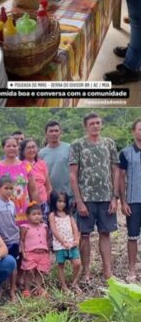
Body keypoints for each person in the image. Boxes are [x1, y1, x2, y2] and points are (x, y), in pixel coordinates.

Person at [69, 112, 119, 283]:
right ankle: (86, 272)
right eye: (92, 124)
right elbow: (73, 175)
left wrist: (115, 197)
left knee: (106, 233)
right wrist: (79, 200)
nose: (96, 126)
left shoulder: (109, 143)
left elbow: (115, 171)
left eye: (98, 123)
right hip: (87, 198)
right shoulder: (78, 145)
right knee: (85, 235)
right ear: (86, 126)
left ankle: (108, 271)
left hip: (106, 197)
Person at [0, 136, 37, 225]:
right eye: (8, 146)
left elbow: (33, 191)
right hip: (2, 214)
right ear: (3, 148)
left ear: (18, 148)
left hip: (24, 213)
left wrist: (36, 211)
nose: (12, 148)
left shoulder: (26, 166)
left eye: (14, 146)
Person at [118, 118, 141, 282]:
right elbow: (121, 178)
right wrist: (123, 201)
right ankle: (132, 269)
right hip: (133, 200)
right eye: (139, 129)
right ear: (133, 131)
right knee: (132, 236)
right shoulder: (126, 153)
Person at [49, 190, 81, 291]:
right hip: (60, 245)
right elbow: (54, 230)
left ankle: (74, 283)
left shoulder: (69, 215)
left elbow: (74, 227)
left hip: (71, 244)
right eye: (59, 201)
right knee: (61, 265)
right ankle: (64, 285)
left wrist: (76, 240)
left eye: (64, 201)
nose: (62, 204)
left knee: (77, 263)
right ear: (54, 202)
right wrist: (63, 242)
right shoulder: (52, 215)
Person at [19, 204, 50, 296]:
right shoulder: (25, 227)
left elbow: (47, 239)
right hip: (30, 253)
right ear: (28, 216)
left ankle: (38, 288)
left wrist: (48, 250)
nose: (37, 216)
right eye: (34, 214)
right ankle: (27, 289)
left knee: (40, 272)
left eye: (39, 214)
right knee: (29, 271)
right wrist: (23, 252)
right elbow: (21, 240)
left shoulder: (44, 226)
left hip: (43, 253)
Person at [21, 138, 52, 216]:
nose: (31, 150)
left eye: (33, 147)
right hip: (27, 204)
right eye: (28, 148)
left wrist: (48, 201)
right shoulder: (20, 165)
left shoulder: (42, 163)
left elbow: (48, 187)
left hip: (43, 203)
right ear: (23, 150)